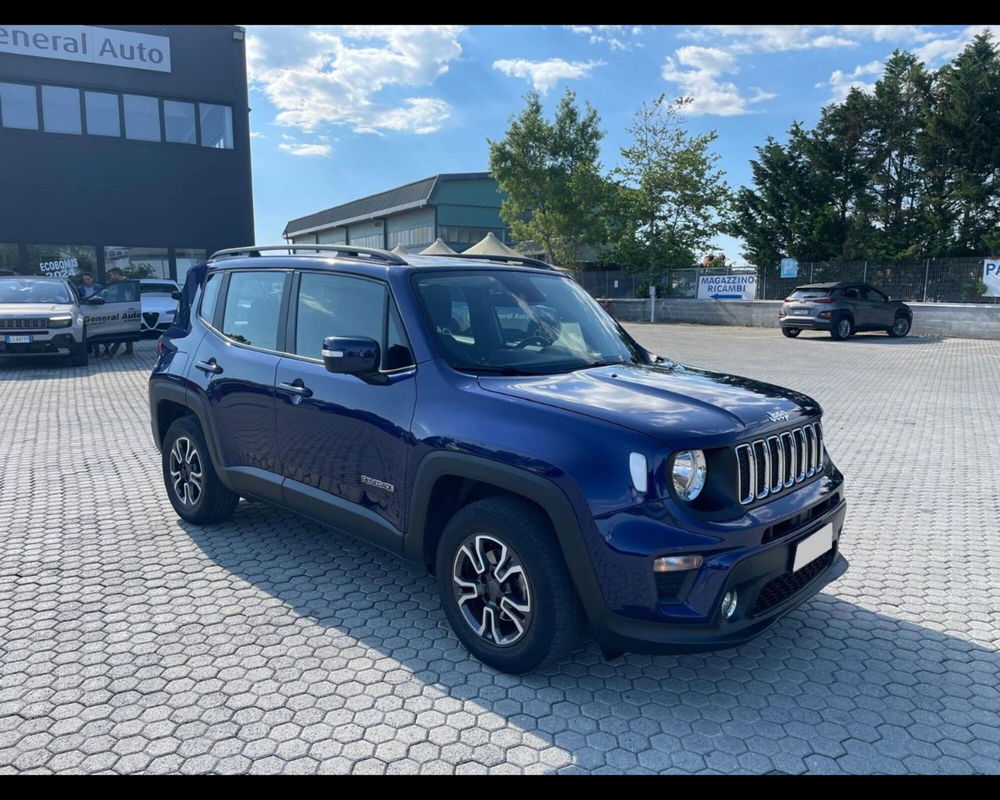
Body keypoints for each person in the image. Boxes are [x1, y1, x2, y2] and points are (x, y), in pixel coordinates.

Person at [105, 267, 134, 356]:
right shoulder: (115, 283)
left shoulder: (128, 283)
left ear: (117, 274)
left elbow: (131, 295)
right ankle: (128, 350)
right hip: (118, 308)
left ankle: (114, 350)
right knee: (124, 330)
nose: (111, 277)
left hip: (126, 309)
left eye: (112, 275)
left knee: (124, 329)